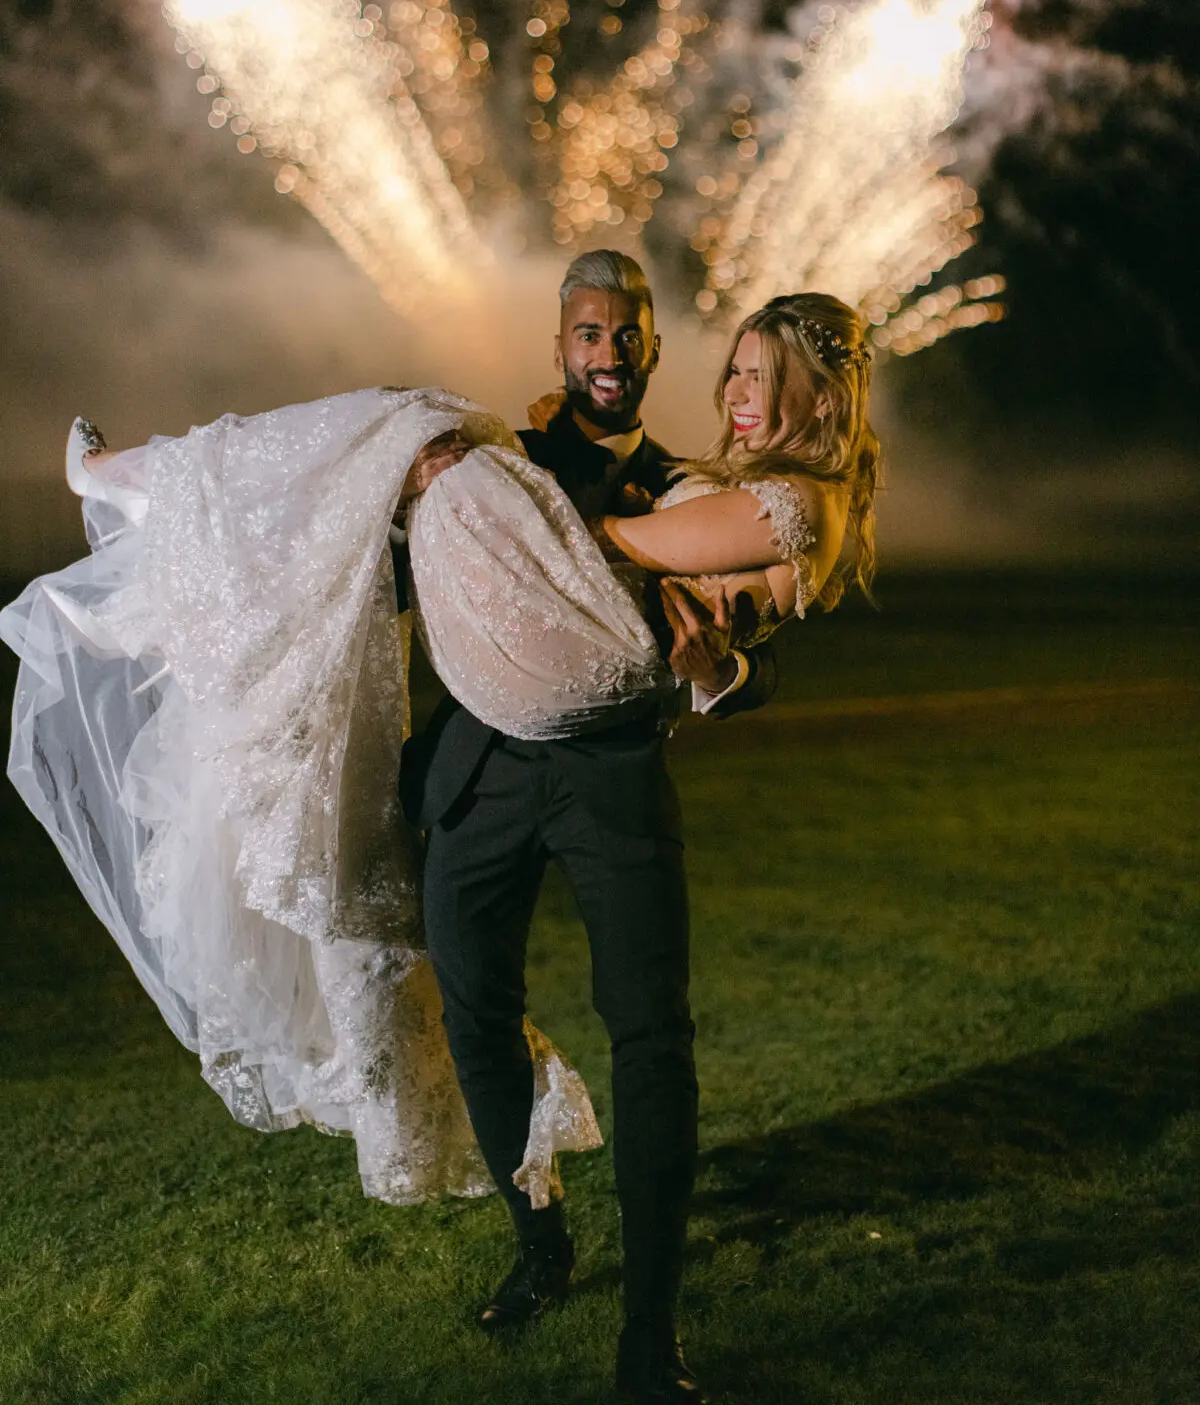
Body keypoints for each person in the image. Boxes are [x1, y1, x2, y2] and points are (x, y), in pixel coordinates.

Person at [0, 265, 878, 1405]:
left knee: (650, 1032)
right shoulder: (536, 445)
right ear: (565, 344)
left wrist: (721, 659)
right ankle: (539, 1238)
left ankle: (650, 1334)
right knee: (470, 1003)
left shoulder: (695, 485)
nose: (617, 358)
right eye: (593, 337)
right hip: (481, 766)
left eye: (638, 342)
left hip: (608, 777)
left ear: (657, 355)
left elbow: (719, 609)